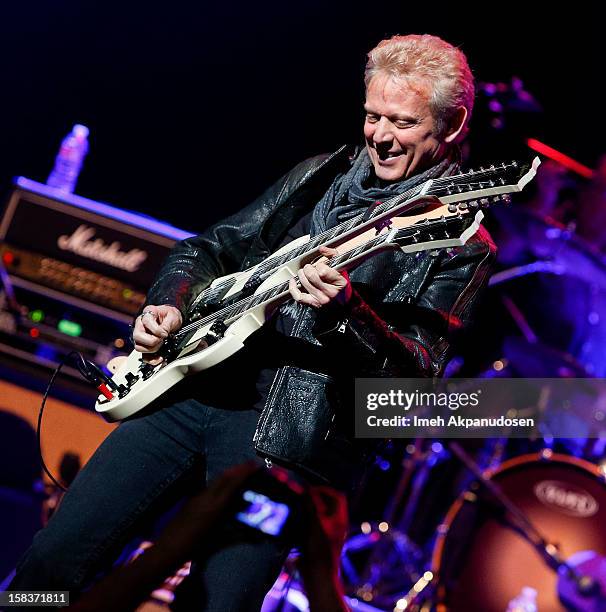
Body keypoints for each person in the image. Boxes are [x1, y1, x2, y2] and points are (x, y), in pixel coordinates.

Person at [9, 34, 495, 609]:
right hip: (192, 387)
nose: (380, 138)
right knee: (52, 561)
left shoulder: (459, 239)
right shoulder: (323, 173)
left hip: (286, 441)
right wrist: (167, 301)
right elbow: (208, 248)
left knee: (218, 602)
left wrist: (349, 314)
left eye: (403, 122)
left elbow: (413, 385)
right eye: (372, 116)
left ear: (454, 123)